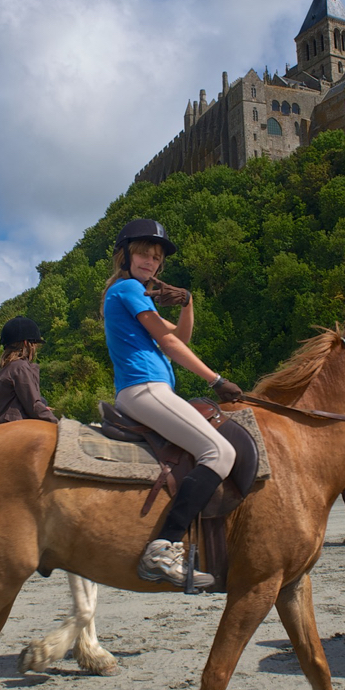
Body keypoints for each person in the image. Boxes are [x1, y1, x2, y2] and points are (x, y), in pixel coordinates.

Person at [102, 218, 244, 588]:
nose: (150, 262)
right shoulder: (128, 288)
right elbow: (170, 346)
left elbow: (180, 334)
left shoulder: (137, 295)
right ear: (126, 256)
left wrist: (188, 301)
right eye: (143, 254)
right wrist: (215, 380)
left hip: (154, 389)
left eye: (156, 257)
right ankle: (162, 547)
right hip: (145, 387)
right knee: (220, 453)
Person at [0, 317, 59, 427]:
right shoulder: (20, 367)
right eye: (35, 343)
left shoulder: (8, 369)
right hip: (5, 429)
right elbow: (33, 406)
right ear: (26, 343)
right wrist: (58, 424)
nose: (36, 347)